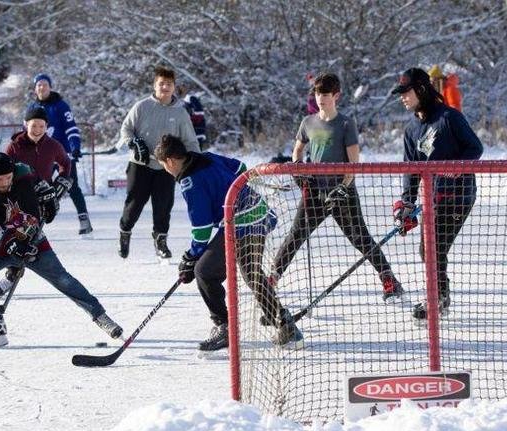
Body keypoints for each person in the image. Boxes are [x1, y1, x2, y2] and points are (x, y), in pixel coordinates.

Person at [154, 134, 303, 351]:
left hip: (242, 224)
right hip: (258, 213)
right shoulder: (207, 157)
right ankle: (284, 324)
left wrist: (191, 256)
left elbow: (202, 231)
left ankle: (224, 327)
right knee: (251, 273)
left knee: (204, 271)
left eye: (163, 166)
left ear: (170, 161)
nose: (166, 170)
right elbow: (241, 168)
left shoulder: (190, 183)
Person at [0, 152, 123, 348]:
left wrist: (49, 200)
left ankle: (100, 316)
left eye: (8, 177)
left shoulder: (24, 172)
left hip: (33, 241)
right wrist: (11, 244)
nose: (5, 183)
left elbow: (41, 196)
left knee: (63, 279)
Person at [271, 72, 404, 300]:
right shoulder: (308, 122)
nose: (320, 98)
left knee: (360, 237)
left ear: (336, 95)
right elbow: (298, 150)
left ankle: (389, 279)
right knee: (296, 235)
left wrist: (343, 186)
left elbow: (354, 163)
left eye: (325, 94)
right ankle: (271, 280)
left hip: (342, 190)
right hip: (314, 191)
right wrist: (298, 170)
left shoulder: (345, 123)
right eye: (317, 93)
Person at [390, 67, 483, 319]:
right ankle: (438, 296)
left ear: (421, 89)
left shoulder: (449, 117)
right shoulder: (411, 130)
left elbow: (475, 148)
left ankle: (438, 299)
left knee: (435, 247)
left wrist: (457, 167)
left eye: (406, 92)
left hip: (459, 195)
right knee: (427, 249)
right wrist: (406, 204)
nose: (402, 98)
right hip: (432, 199)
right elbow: (411, 170)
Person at [0, 105, 74, 298]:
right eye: (33, 125)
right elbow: (0, 171)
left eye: (41, 126)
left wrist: (60, 184)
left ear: (47, 127)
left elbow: (66, 164)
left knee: (25, 240)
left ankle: (7, 279)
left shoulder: (53, 145)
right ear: (25, 125)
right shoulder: (15, 146)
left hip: (40, 200)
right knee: (6, 238)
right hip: (15, 201)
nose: (37, 130)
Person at [116, 65, 200, 259]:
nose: (165, 87)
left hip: (166, 166)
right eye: (161, 84)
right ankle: (125, 232)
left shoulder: (180, 113)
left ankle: (160, 240)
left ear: (174, 87)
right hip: (140, 164)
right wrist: (133, 142)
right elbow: (126, 129)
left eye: (169, 84)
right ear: (155, 86)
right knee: (134, 204)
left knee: (163, 205)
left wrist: (196, 160)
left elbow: (190, 140)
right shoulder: (142, 107)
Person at [29, 73, 93, 236]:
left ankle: (84, 220)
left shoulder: (60, 105)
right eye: (39, 85)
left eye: (44, 84)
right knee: (38, 189)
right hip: (42, 157)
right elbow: (27, 133)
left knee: (72, 186)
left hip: (63, 155)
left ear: (50, 87)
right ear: (35, 89)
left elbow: (71, 128)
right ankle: (35, 225)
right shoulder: (32, 108)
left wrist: (75, 147)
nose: (42, 87)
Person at [176, 84, 208, 150]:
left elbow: (199, 112)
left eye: (183, 88)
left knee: (196, 152)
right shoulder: (185, 101)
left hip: (197, 129)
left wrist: (190, 121)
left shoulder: (191, 98)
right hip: (192, 131)